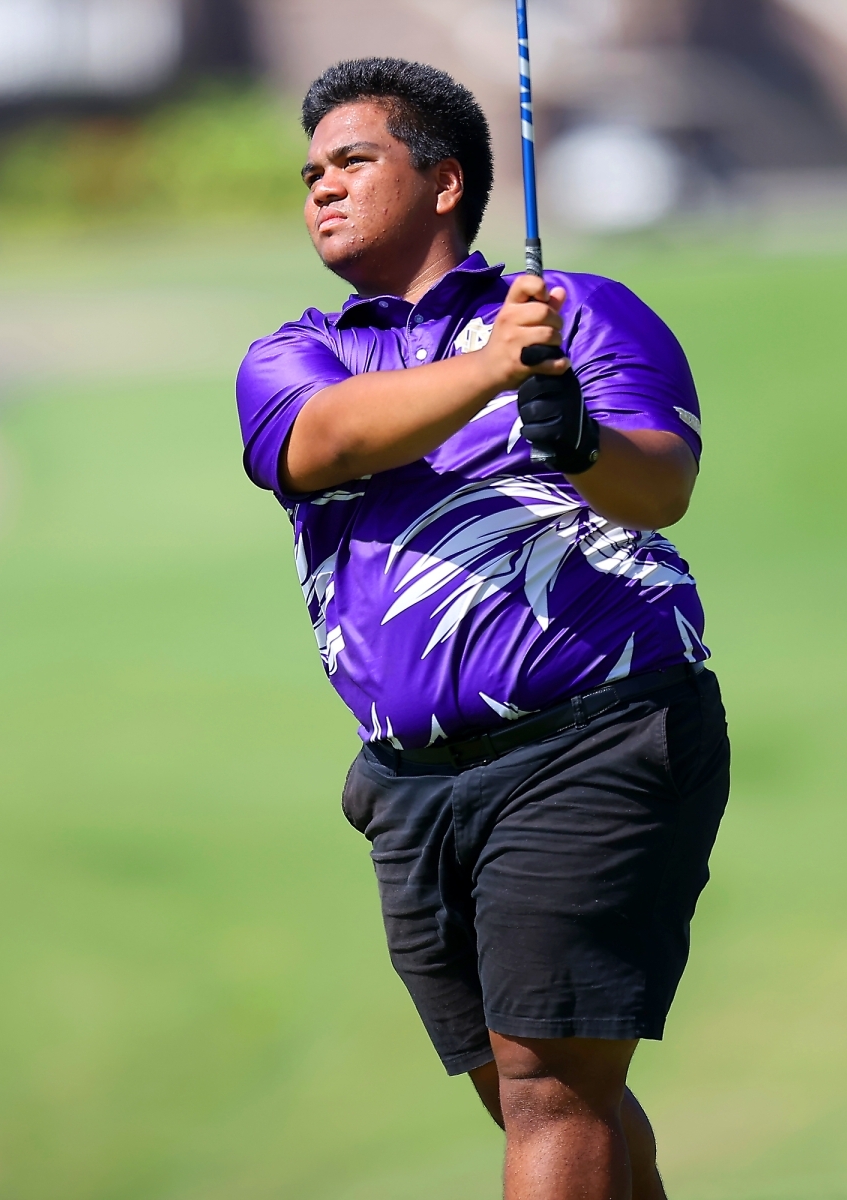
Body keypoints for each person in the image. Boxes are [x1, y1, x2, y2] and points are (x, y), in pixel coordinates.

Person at [234, 57, 730, 1200]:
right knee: (534, 1093)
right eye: (310, 173)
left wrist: (577, 438)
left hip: (598, 734)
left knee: (551, 1083)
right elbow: (324, 442)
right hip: (410, 785)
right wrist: (492, 368)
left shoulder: (581, 314)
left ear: (444, 181)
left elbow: (662, 486)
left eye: (351, 161)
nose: (322, 186)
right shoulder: (295, 356)